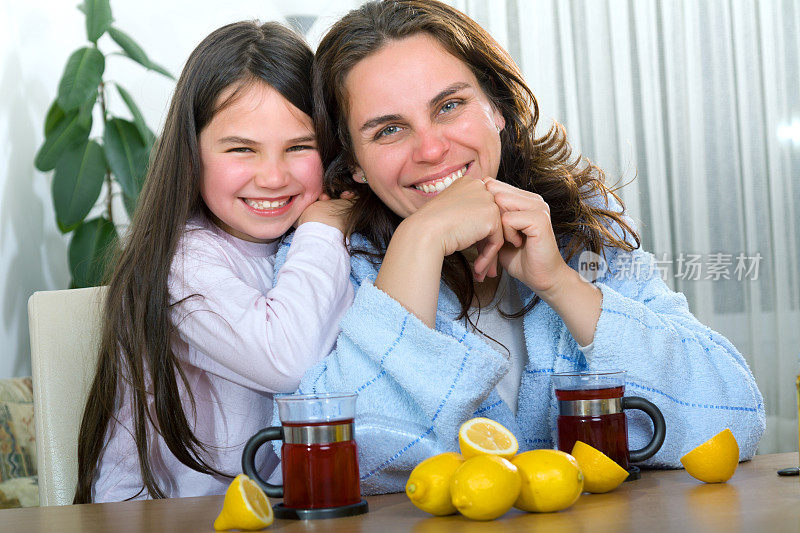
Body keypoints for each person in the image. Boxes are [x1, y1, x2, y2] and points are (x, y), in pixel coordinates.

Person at [285, 0, 765, 494]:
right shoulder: (328, 258)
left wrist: (559, 282)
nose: (431, 150)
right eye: (389, 129)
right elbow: (337, 469)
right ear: (355, 162)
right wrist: (419, 241)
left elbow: (727, 420)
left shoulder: (578, 229)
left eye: (450, 106)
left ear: (495, 106)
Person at [73, 21, 355, 502]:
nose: (272, 176)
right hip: (155, 516)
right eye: (242, 149)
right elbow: (286, 360)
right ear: (192, 153)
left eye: (300, 147)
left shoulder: (322, 243)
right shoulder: (180, 260)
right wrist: (326, 224)